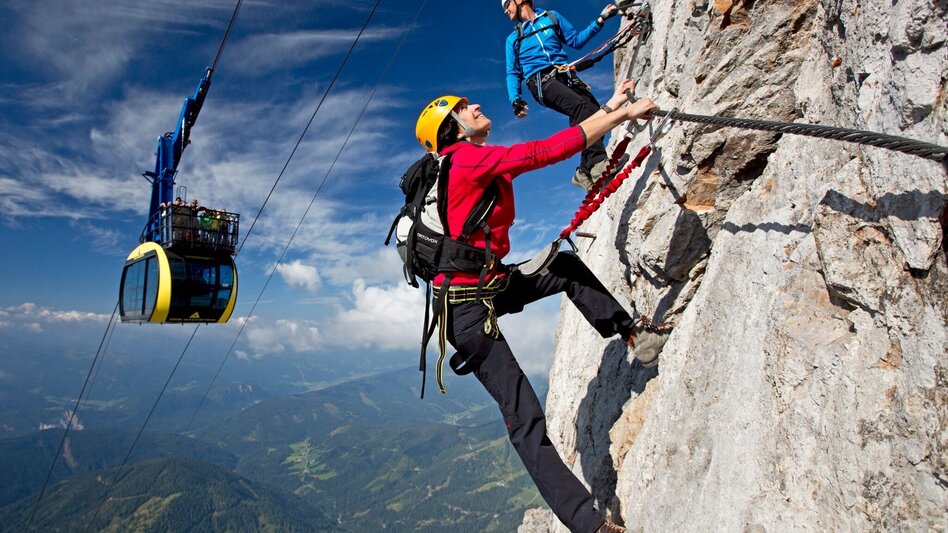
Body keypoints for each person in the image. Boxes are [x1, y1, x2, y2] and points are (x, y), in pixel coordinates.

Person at [414, 80, 672, 533]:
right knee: (525, 418)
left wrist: (608, 107)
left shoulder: (467, 163)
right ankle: (588, 525)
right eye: (463, 106)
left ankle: (632, 333)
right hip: (468, 311)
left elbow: (538, 153)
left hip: (485, 287)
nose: (474, 105)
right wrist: (621, 118)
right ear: (453, 129)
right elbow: (541, 153)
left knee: (562, 266)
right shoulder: (466, 159)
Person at [503, 0, 619, 190]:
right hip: (540, 81)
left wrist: (600, 20)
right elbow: (512, 72)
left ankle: (583, 171)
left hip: (564, 75)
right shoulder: (514, 38)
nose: (505, 10)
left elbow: (576, 40)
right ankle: (598, 163)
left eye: (507, 3)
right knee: (579, 107)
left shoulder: (552, 18)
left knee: (594, 110)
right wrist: (515, 98)